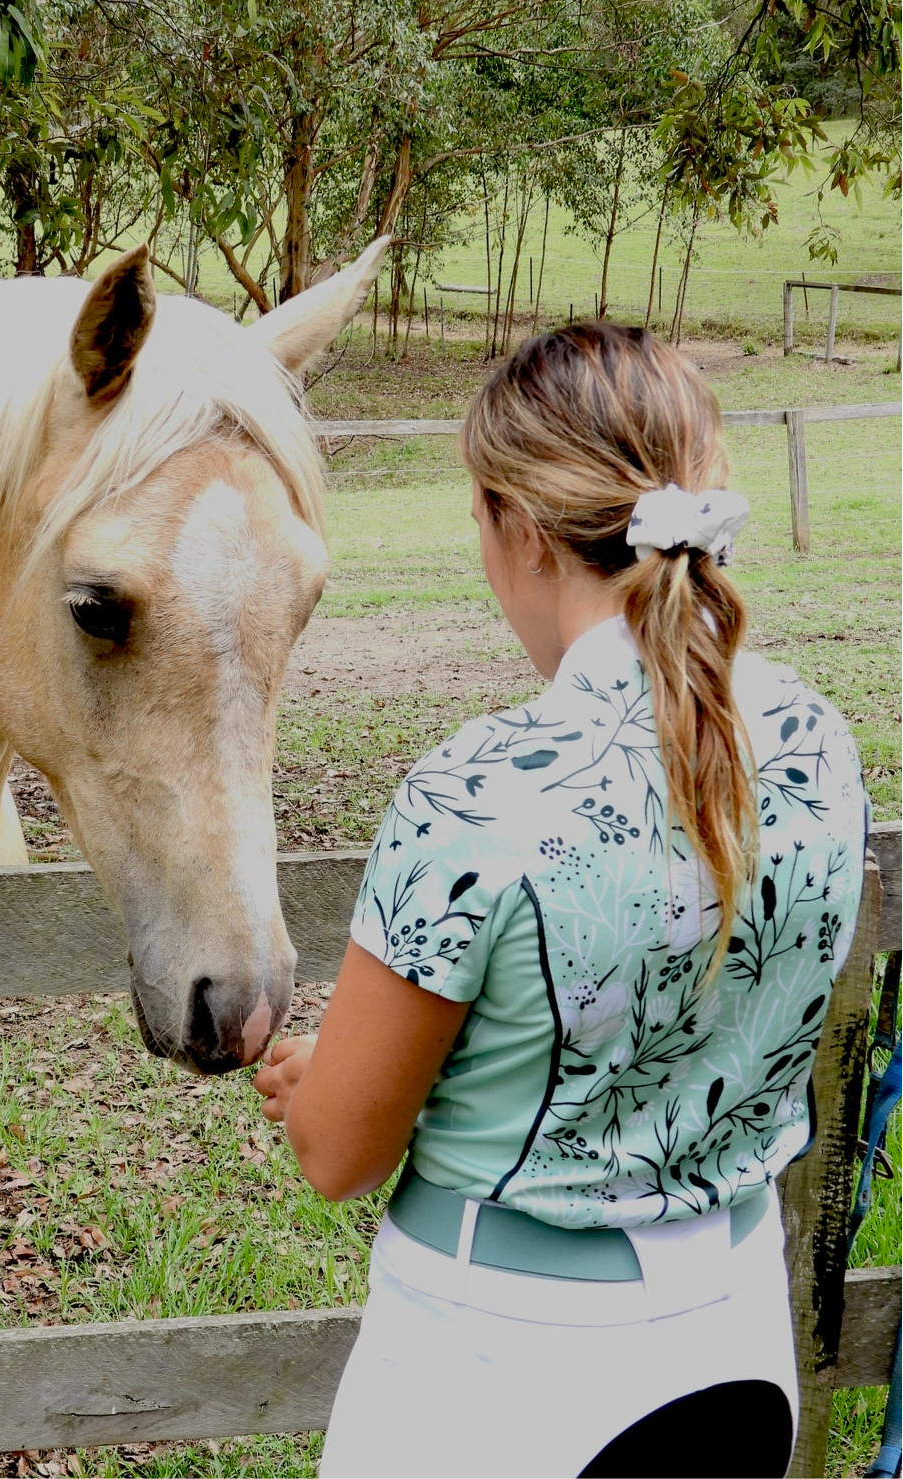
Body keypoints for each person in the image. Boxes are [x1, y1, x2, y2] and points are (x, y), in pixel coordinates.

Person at [252, 322, 868, 1479]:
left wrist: (321, 1078)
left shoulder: (476, 793)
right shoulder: (815, 742)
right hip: (735, 1342)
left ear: (523, 531)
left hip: (496, 1371)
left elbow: (338, 1150)